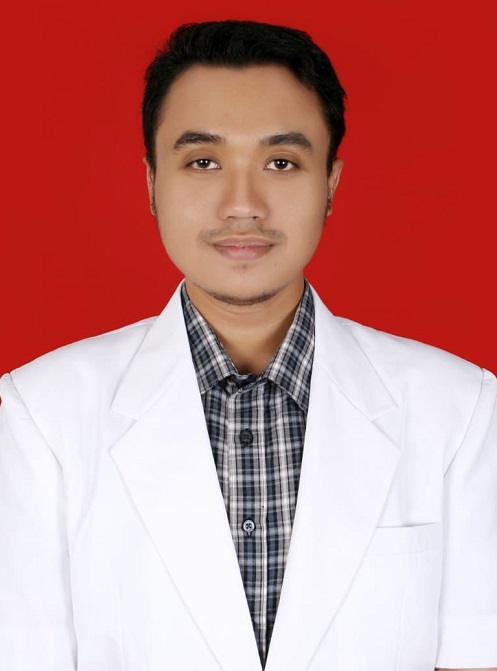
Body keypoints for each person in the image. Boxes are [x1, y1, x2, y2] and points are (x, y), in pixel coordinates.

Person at [0, 19, 495, 671]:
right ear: (152, 184)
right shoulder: (41, 415)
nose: (242, 205)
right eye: (203, 162)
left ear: (330, 185)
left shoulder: (461, 410)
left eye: (281, 162)